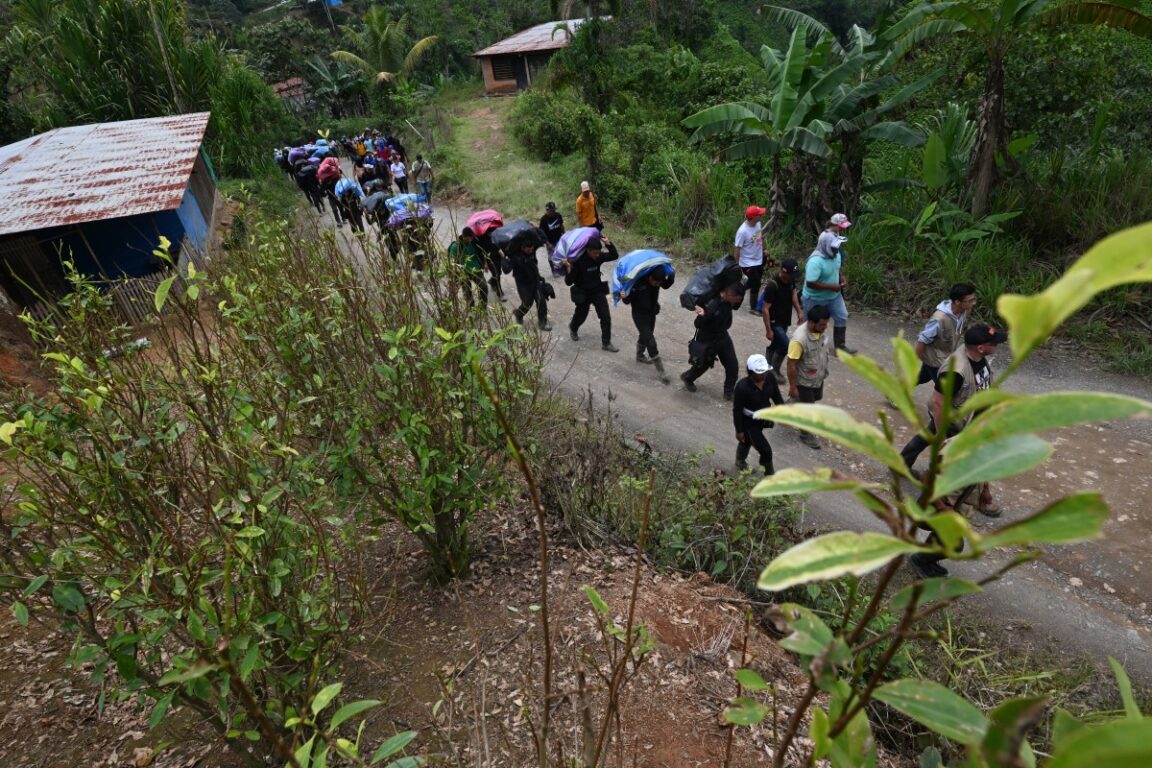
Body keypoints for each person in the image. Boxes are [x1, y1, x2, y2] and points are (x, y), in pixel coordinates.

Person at [902, 325, 1008, 578]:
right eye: (995, 343)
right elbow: (938, 401)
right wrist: (942, 437)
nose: (999, 346)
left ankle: (924, 557)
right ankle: (921, 559)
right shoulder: (957, 369)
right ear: (982, 347)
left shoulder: (979, 360)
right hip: (954, 428)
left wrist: (985, 490)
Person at [680, 282, 745, 399]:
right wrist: (704, 315)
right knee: (703, 365)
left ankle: (729, 392)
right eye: (736, 299)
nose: (737, 301)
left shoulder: (729, 301)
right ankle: (688, 377)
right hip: (707, 338)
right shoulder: (711, 303)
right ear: (728, 294)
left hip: (722, 335)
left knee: (732, 365)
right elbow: (697, 324)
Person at [801, 219, 854, 354]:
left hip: (834, 296)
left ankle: (840, 347)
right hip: (814, 298)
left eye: (838, 246)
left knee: (842, 316)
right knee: (811, 322)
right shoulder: (816, 261)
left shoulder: (835, 255)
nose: (837, 249)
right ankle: (807, 346)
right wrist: (832, 287)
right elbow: (810, 283)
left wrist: (841, 277)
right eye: (834, 246)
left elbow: (837, 268)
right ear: (825, 245)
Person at [787, 305, 833, 449]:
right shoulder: (799, 339)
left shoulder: (821, 330)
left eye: (826, 324)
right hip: (804, 380)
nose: (825, 327)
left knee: (816, 397)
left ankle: (790, 404)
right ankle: (806, 434)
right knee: (809, 408)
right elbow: (791, 365)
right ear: (812, 323)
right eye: (822, 325)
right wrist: (793, 387)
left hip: (817, 376)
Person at [564, 235, 620, 352]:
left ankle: (606, 343)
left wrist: (608, 243)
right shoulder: (578, 261)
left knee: (605, 316)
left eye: (598, 253)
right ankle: (573, 328)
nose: (597, 255)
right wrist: (568, 268)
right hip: (582, 293)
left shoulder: (598, 257)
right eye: (594, 253)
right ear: (587, 250)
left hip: (597, 291)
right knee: (581, 315)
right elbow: (568, 282)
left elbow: (614, 255)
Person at [914, 283, 976, 386]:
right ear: (957, 302)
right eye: (970, 301)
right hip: (935, 359)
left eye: (974, 299)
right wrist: (912, 362)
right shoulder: (939, 319)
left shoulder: (964, 310)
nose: (973, 303)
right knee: (947, 388)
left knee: (922, 377)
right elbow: (923, 340)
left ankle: (896, 388)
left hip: (946, 355)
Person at [621, 266, 675, 383]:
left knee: (646, 334)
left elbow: (666, 285)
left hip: (652, 313)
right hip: (639, 315)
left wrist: (672, 275)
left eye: (658, 283)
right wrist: (624, 296)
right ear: (650, 277)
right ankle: (662, 372)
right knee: (650, 341)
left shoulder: (658, 280)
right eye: (655, 282)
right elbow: (627, 300)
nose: (657, 285)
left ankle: (639, 356)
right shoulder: (637, 282)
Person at [733, 354, 785, 474]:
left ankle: (740, 460)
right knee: (766, 450)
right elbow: (737, 410)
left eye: (765, 371)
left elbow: (776, 396)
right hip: (748, 422)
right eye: (760, 372)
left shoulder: (770, 378)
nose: (764, 375)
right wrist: (739, 430)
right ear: (751, 372)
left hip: (763, 418)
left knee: (748, 441)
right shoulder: (742, 387)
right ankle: (770, 476)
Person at [757, 259, 803, 383]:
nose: (794, 278)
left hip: (785, 319)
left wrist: (799, 311)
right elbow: (765, 309)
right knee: (786, 345)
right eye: (792, 275)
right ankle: (774, 370)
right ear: (784, 273)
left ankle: (767, 368)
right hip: (774, 321)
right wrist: (768, 330)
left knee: (776, 344)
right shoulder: (773, 285)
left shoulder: (790, 281)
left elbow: (793, 294)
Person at [504, 237, 552, 331]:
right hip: (523, 284)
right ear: (522, 247)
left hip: (535, 280)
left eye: (532, 248)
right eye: (528, 248)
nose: (531, 250)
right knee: (527, 303)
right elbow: (506, 270)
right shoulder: (515, 256)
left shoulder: (532, 252)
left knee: (541, 299)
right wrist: (504, 258)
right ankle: (518, 314)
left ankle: (543, 322)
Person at [735, 205, 769, 315]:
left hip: (758, 259)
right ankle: (752, 307)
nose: (762, 216)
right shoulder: (742, 231)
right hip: (747, 262)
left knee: (754, 283)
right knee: (753, 283)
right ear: (754, 217)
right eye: (759, 214)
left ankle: (735, 292)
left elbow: (758, 238)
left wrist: (764, 250)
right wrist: (736, 265)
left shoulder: (758, 224)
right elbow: (737, 249)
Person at [449, 227, 487, 307]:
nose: (471, 239)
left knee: (484, 287)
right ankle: (471, 308)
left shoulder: (475, 242)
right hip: (463, 271)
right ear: (464, 236)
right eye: (469, 238)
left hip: (476, 269)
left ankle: (483, 307)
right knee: (467, 291)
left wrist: (485, 263)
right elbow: (452, 261)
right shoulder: (455, 246)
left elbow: (481, 253)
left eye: (472, 237)